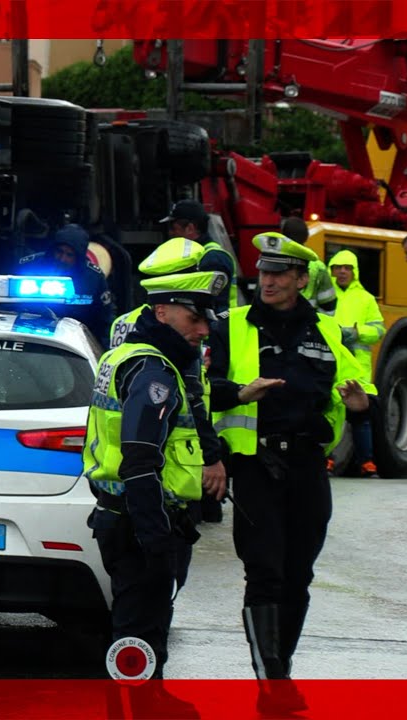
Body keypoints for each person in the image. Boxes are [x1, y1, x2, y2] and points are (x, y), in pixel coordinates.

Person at [206, 233, 375, 714]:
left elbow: (356, 389)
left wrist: (362, 406)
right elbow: (202, 389)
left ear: (302, 280)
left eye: (280, 274)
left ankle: (281, 668)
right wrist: (240, 393)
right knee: (265, 573)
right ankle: (271, 682)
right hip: (256, 464)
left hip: (307, 466)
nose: (269, 281)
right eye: (263, 273)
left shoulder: (325, 330)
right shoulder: (230, 325)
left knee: (299, 575)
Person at [83, 268, 228, 703]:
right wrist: (155, 535)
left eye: (207, 320)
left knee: (139, 627)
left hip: (122, 514)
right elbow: (141, 460)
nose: (203, 330)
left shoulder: (127, 355)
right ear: (161, 312)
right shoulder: (154, 371)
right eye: (194, 319)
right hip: (140, 519)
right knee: (138, 633)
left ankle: (145, 701)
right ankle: (140, 705)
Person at [111, 237, 228, 524]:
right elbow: (191, 400)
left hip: (118, 481)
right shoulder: (177, 327)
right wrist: (211, 458)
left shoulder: (126, 321)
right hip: (165, 475)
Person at [328, 248, 386, 478]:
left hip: (357, 369)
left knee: (361, 416)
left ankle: (367, 463)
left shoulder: (366, 299)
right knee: (332, 414)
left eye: (347, 268)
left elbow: (379, 330)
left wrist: (356, 332)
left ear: (355, 272)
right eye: (337, 267)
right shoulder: (326, 297)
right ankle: (328, 460)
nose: (342, 272)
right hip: (332, 366)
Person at [16, 223, 115, 343]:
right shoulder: (29, 267)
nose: (62, 259)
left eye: (69, 255)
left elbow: (106, 320)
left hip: (76, 345)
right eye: (59, 252)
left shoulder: (93, 278)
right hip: (29, 338)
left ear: (79, 257)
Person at [161, 199, 237, 315]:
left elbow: (214, 308)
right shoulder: (195, 255)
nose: (171, 233)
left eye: (173, 228)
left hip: (217, 329)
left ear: (190, 228)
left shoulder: (213, 258)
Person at [278, 218, 337, 313]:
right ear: (306, 237)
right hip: (307, 324)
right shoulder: (318, 266)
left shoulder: (272, 261)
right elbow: (329, 306)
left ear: (283, 236)